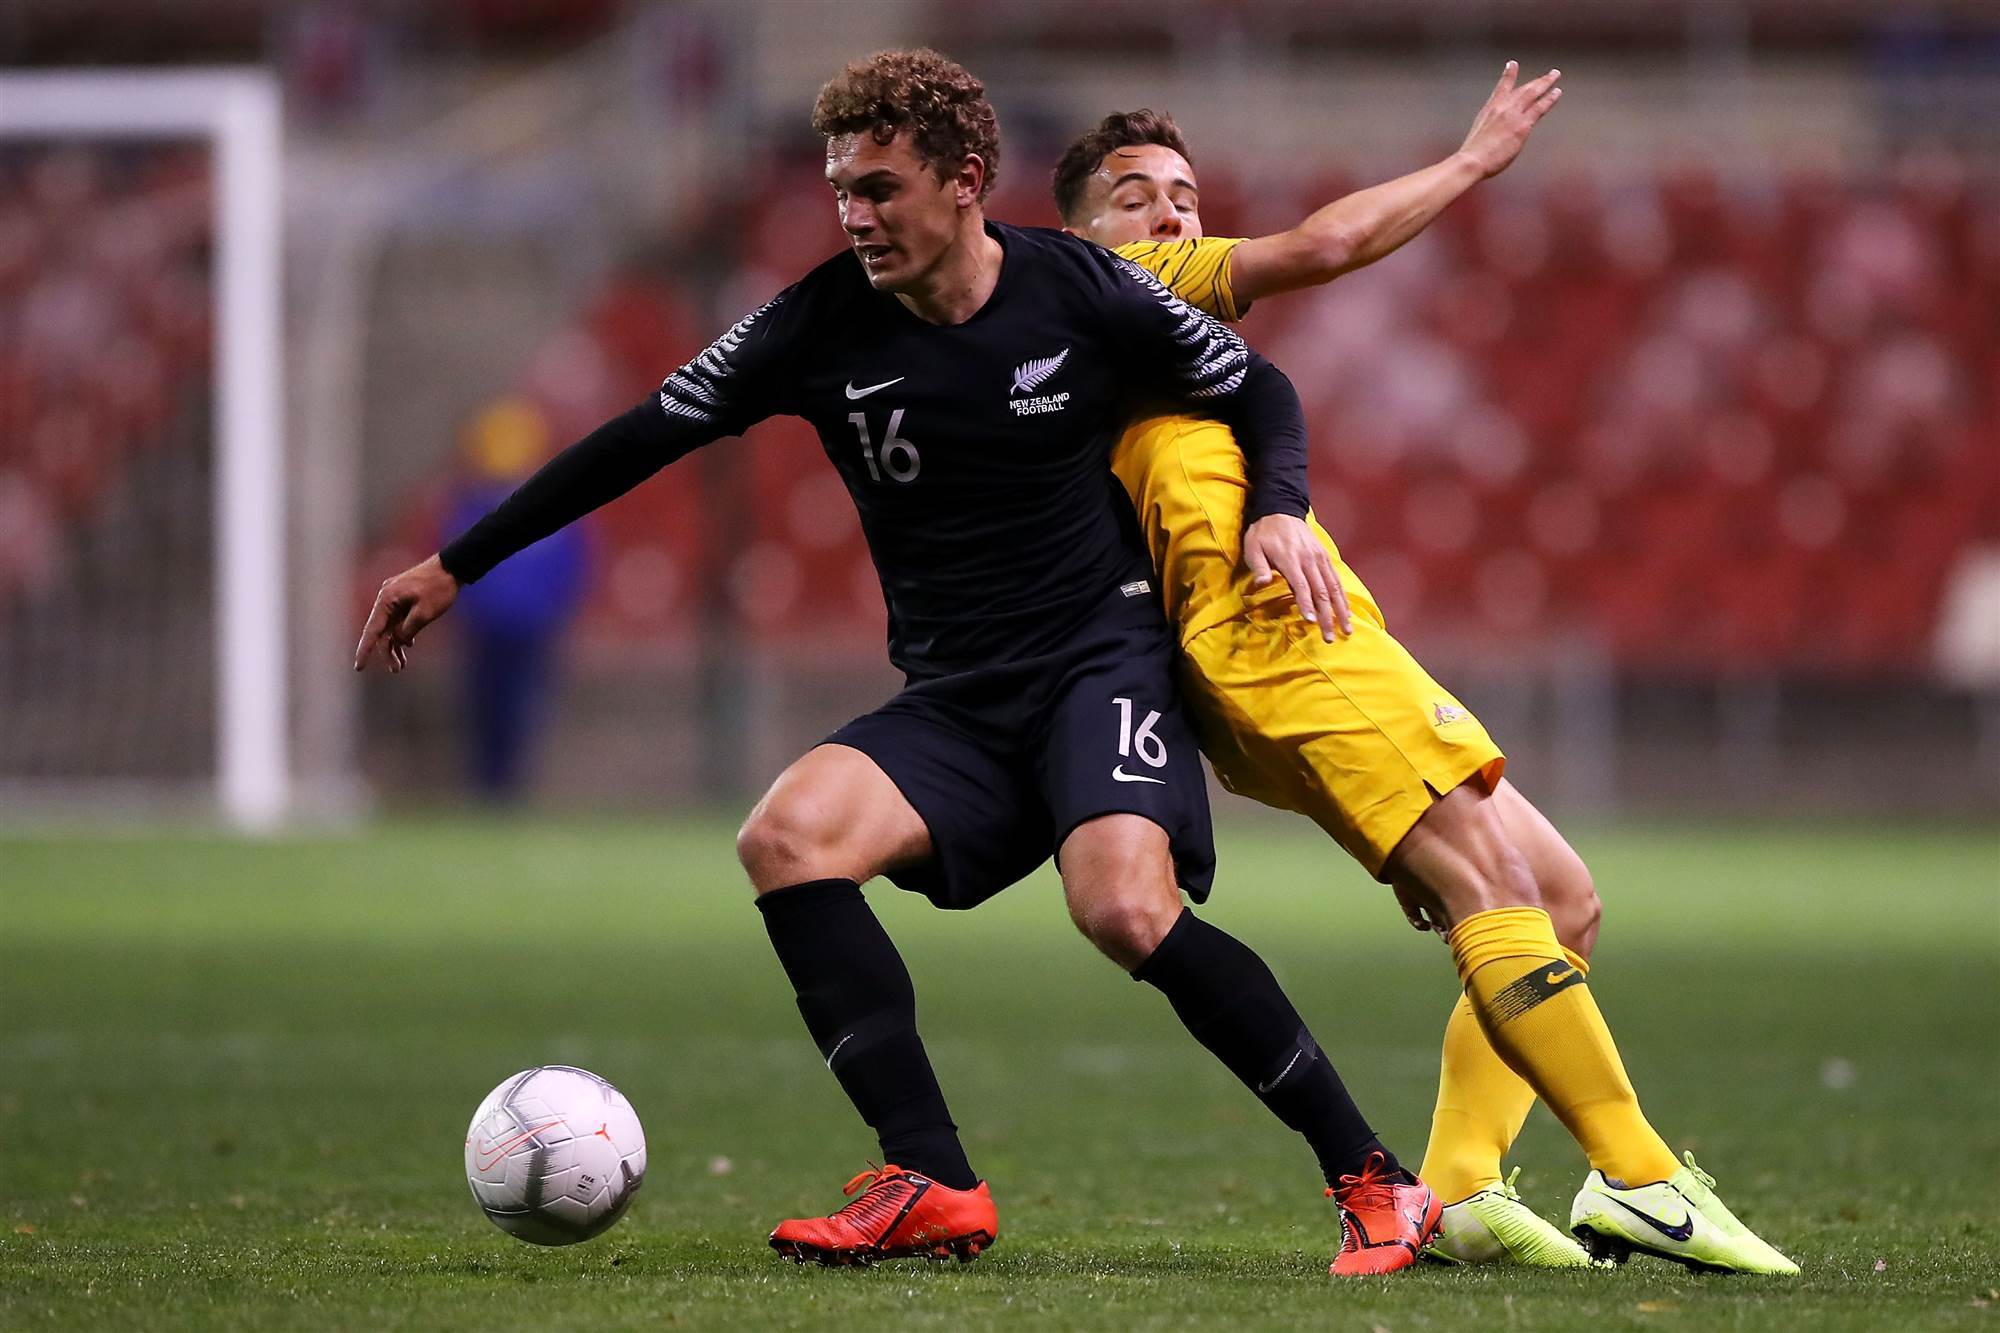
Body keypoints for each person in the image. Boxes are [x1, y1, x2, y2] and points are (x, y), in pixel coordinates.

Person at [357, 49, 1439, 1277]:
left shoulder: (1076, 285)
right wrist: (459, 563)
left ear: (965, 180)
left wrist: (1278, 510)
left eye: (878, 189)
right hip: (958, 699)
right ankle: (931, 1178)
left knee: (1123, 908)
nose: (854, 217)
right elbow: (640, 435)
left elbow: (1260, 387)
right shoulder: (816, 322)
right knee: (786, 838)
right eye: (840, 192)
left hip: (1096, 663)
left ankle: (1374, 1180)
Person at [1051, 64, 1798, 1275]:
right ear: (1080, 234)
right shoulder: (1108, 287)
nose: (1170, 216)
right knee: (1493, 886)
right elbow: (1320, 245)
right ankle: (1639, 1176)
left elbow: (1267, 396)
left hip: (1308, 635)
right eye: (1134, 197)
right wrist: (1468, 164)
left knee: (1557, 897)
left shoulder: (1161, 356)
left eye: (1184, 195)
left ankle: (1459, 1187)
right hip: (1273, 639)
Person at [443, 397, 588, 802]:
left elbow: (573, 568)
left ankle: (509, 787)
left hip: (531, 629)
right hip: (485, 629)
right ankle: (488, 786)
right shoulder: (468, 508)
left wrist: (556, 611)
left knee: (519, 708)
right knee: (483, 708)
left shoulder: (555, 509)